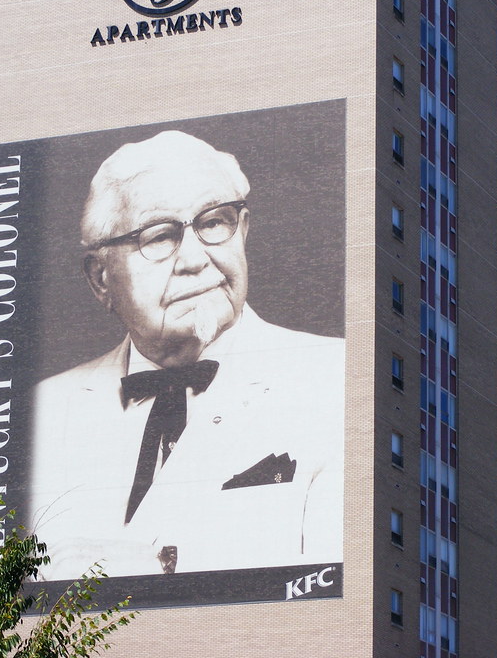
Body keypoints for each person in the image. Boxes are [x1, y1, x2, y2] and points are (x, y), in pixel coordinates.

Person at [28, 130, 344, 580]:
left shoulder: (341, 380)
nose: (195, 258)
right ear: (101, 278)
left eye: (214, 222)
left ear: (244, 231)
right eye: (158, 236)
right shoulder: (41, 413)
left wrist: (157, 565)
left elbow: (337, 587)